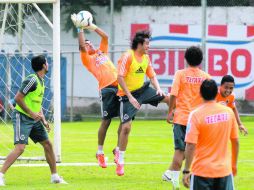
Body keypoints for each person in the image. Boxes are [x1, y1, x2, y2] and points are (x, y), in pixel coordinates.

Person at [0, 55, 67, 186]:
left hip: (34, 119)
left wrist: (43, 120)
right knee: (20, 148)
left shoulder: (41, 82)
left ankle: (55, 177)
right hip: (22, 117)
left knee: (48, 144)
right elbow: (18, 98)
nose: (48, 65)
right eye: (47, 63)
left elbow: (37, 104)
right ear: (43, 66)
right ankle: (1, 175)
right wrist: (31, 113)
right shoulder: (32, 80)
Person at [71, 13, 121, 168]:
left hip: (120, 87)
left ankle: (118, 149)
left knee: (125, 120)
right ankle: (100, 152)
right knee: (106, 121)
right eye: (86, 45)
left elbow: (105, 37)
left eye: (89, 43)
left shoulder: (102, 52)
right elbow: (81, 47)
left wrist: (90, 26)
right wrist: (80, 29)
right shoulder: (87, 59)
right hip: (106, 89)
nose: (89, 45)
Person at [116, 30, 170, 176]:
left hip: (143, 91)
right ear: (139, 44)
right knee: (126, 127)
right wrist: (131, 97)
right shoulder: (127, 56)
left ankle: (174, 119)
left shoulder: (146, 57)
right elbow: (120, 77)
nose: (149, 46)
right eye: (147, 43)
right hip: (127, 96)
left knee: (170, 98)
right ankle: (120, 160)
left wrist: (158, 89)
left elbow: (152, 75)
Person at [162, 46, 210, 189]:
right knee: (193, 150)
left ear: (186, 59)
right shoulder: (206, 77)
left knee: (179, 150)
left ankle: (175, 182)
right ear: (201, 60)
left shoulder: (180, 74)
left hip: (181, 118)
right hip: (198, 120)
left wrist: (170, 111)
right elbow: (209, 98)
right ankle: (188, 178)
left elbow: (173, 94)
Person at [183, 79, 239, 189]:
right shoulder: (228, 112)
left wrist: (186, 170)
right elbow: (235, 141)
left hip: (201, 171)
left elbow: (190, 145)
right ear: (216, 92)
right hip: (224, 170)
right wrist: (233, 165)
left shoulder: (195, 115)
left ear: (200, 93)